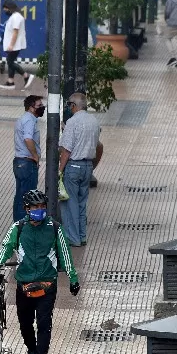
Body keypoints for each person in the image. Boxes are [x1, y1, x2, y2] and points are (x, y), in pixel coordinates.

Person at [0, 189, 80, 354]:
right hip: (24, 285)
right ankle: (31, 350)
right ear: (27, 209)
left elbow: (65, 254)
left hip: (48, 285)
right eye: (35, 207)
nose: (39, 210)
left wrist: (73, 279)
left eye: (42, 206)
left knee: (44, 325)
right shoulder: (18, 228)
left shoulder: (55, 228)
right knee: (24, 323)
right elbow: (5, 248)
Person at [59, 92, 102, 247]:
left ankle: (73, 238)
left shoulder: (72, 122)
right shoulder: (94, 122)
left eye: (70, 105)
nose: (69, 108)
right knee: (82, 203)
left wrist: (60, 170)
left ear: (74, 105)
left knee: (69, 203)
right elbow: (97, 145)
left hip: (73, 166)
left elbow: (66, 150)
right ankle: (82, 236)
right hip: (87, 166)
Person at [13, 95, 44, 221]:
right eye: (39, 106)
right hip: (27, 163)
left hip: (20, 162)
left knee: (20, 197)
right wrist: (35, 156)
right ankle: (22, 226)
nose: (42, 108)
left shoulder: (24, 118)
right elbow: (27, 138)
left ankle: (17, 225)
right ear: (31, 108)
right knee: (27, 198)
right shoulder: (29, 120)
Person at [0, 1, 35, 90]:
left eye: (6, 9)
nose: (5, 11)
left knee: (10, 61)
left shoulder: (16, 17)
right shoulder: (15, 16)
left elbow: (15, 32)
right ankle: (10, 82)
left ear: (10, 8)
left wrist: (11, 45)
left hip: (15, 45)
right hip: (15, 44)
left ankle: (26, 76)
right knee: (10, 61)